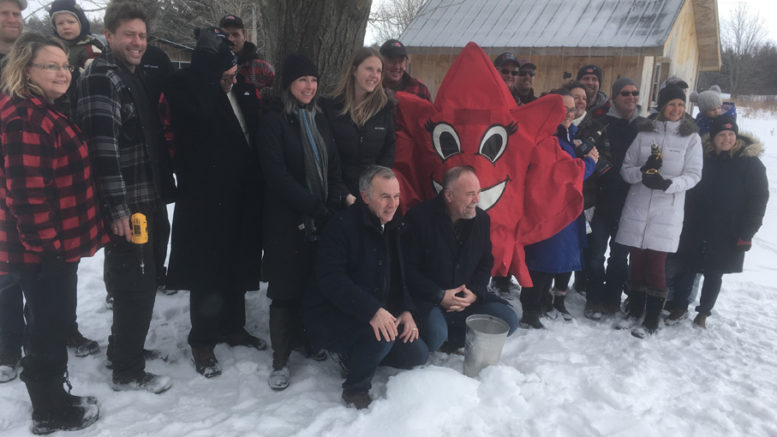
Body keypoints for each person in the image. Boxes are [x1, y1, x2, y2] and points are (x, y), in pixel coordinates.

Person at [1, 32, 105, 434]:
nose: (63, 73)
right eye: (51, 66)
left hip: (49, 246)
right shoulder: (26, 119)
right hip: (42, 249)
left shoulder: (41, 108)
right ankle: (49, 411)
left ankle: (55, 397)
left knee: (47, 322)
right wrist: (50, 249)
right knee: (46, 327)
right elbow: (26, 197)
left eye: (65, 65)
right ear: (26, 70)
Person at [76, 0, 171, 393]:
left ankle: (124, 349)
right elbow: (103, 149)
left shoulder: (129, 74)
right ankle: (127, 370)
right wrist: (117, 210)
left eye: (142, 36)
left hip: (146, 197)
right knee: (136, 283)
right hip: (127, 204)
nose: (137, 42)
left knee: (143, 280)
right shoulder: (103, 77)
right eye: (128, 34)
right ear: (109, 35)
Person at [161, 28, 265, 378]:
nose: (230, 81)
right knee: (206, 271)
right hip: (205, 197)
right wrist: (210, 73)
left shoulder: (243, 90)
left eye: (233, 74)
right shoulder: (189, 88)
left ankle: (233, 326)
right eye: (224, 75)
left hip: (241, 194)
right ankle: (202, 340)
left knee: (237, 262)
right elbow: (193, 107)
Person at [303, 166, 428, 409]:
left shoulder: (391, 224)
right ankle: (355, 388)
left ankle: (359, 353)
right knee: (380, 335)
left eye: (396, 196)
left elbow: (398, 274)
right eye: (385, 197)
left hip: (369, 308)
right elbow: (331, 280)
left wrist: (405, 309)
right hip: (331, 315)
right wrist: (372, 311)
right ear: (365, 197)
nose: (392, 204)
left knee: (417, 354)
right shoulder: (341, 226)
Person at [259, 53, 349, 391]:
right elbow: (276, 175)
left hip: (321, 217)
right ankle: (280, 358)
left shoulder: (320, 119)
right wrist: (313, 206)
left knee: (314, 281)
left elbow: (334, 166)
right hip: (286, 218)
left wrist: (336, 196)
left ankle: (308, 340)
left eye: (313, 80)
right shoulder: (274, 121)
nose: (309, 86)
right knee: (284, 288)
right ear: (289, 85)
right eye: (302, 80)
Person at [615, 85, 703, 338]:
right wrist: (642, 173)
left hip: (668, 210)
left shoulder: (691, 138)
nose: (676, 110)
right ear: (661, 107)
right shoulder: (644, 133)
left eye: (680, 105)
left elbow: (694, 175)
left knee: (656, 265)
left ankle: (651, 319)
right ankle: (634, 310)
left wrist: (668, 184)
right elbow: (626, 168)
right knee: (637, 262)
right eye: (671, 104)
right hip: (638, 206)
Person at [403, 166, 518, 349]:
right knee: (435, 335)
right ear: (449, 196)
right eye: (470, 194)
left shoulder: (482, 220)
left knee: (508, 321)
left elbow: (485, 262)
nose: (477, 200)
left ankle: (451, 335)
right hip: (430, 300)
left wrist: (475, 293)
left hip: (466, 300)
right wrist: (439, 295)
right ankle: (443, 333)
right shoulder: (418, 218)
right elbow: (407, 270)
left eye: (478, 193)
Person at [669, 116, 768, 328]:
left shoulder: (750, 163)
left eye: (731, 135)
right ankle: (679, 306)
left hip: (728, 229)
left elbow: (758, 199)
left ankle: (703, 312)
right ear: (713, 138)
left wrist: (747, 232)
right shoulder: (702, 157)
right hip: (696, 224)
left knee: (715, 272)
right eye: (722, 135)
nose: (727, 139)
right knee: (688, 266)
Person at [521, 90, 598, 328]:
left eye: (572, 109)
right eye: (563, 109)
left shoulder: (563, 135)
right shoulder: (545, 138)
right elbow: (560, 174)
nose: (568, 113)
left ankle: (542, 303)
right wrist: (588, 163)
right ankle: (531, 311)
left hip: (558, 210)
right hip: (545, 211)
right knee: (541, 262)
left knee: (550, 262)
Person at [584, 77, 643, 320]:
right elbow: (590, 154)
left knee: (620, 257)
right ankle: (594, 298)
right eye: (625, 94)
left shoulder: (645, 126)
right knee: (596, 254)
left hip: (631, 202)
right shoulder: (601, 124)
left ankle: (612, 300)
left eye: (635, 93)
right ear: (615, 98)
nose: (631, 97)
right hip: (603, 199)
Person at [323, 46, 395, 201]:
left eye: (378, 71)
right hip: (337, 194)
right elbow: (327, 155)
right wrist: (344, 194)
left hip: (371, 196)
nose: (374, 76)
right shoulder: (331, 108)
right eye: (369, 69)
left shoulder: (385, 109)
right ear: (354, 70)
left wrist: (375, 191)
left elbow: (388, 154)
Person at [219, 14, 274, 91]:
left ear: (244, 37)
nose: (230, 39)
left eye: (235, 35)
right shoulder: (211, 67)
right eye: (225, 35)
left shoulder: (263, 69)